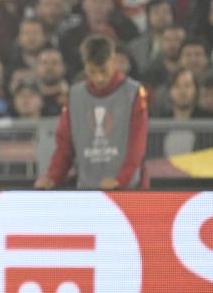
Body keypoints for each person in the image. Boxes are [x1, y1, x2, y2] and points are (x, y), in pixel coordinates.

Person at [35, 35, 149, 190]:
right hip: (87, 190)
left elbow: (137, 145)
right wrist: (52, 177)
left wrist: (121, 181)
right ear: (85, 66)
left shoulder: (134, 93)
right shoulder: (75, 96)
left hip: (129, 191)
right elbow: (64, 146)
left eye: (103, 71)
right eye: (92, 71)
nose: (99, 78)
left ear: (114, 61)